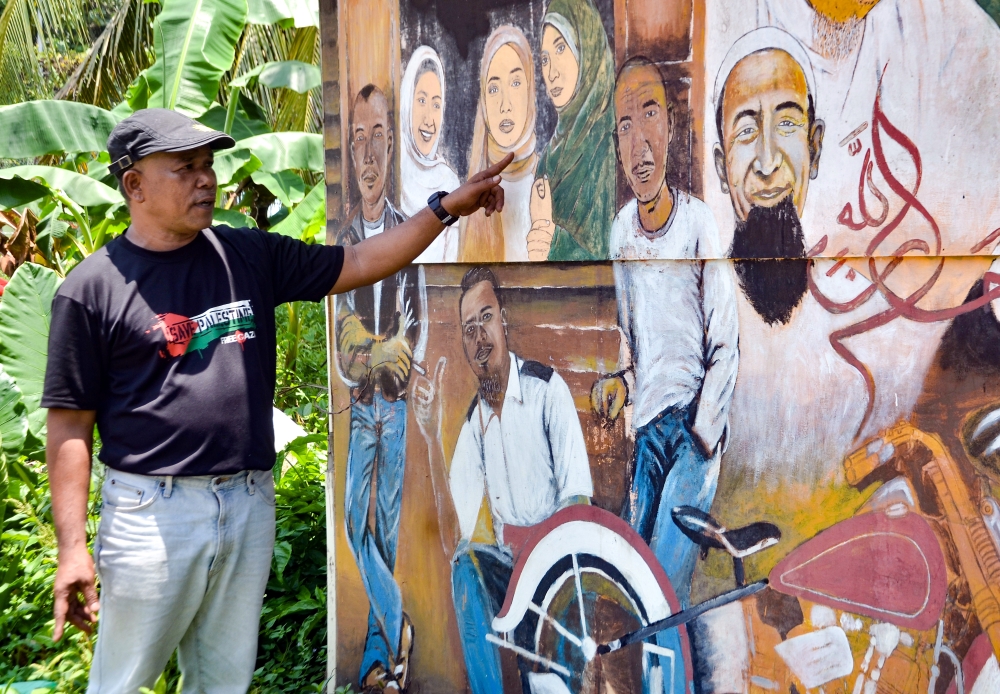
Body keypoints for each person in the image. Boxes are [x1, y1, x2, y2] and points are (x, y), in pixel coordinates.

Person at [41, 107, 512, 694]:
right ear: (134, 184)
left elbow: (360, 261)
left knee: (223, 684)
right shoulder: (92, 290)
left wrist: (446, 208)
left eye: (208, 165)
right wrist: (71, 549)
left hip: (246, 503)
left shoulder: (245, 255)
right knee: (121, 682)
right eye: (185, 168)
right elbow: (69, 427)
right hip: (153, 514)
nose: (206, 179)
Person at [593, 57, 739, 610]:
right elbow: (632, 346)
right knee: (632, 585)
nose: (639, 143)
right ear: (616, 145)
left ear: (671, 127)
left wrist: (702, 435)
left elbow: (725, 346)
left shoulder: (699, 225)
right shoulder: (620, 235)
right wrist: (621, 385)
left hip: (693, 433)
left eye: (649, 114)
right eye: (625, 126)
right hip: (647, 434)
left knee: (662, 595)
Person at [412, 266, 593, 694]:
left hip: (560, 570)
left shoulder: (546, 390)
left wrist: (540, 565)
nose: (480, 337)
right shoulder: (474, 423)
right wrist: (432, 437)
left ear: (504, 320)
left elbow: (578, 504)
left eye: (486, 318)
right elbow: (452, 539)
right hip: (510, 572)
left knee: (546, 686)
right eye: (469, 329)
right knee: (466, 567)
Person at [333, 84, 430, 692]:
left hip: (392, 409)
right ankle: (399, 626)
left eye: (377, 138)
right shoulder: (344, 240)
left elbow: (411, 337)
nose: (368, 155)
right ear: (350, 151)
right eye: (358, 140)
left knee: (386, 533)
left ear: (391, 146)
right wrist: (377, 351)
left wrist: (380, 352)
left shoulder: (407, 234)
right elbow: (344, 345)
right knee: (354, 525)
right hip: (361, 405)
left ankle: (381, 664)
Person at [712, 28, 825, 326]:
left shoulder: (851, 304)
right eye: (746, 130)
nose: (767, 162)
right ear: (722, 168)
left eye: (786, 124)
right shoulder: (702, 304)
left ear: (814, 148)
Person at [526, 0, 616, 261]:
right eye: (545, 59)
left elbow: (609, 258)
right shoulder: (548, 159)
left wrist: (552, 241)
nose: (551, 73)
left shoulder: (610, 146)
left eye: (561, 48)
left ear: (586, 48)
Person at [460, 26, 538, 263]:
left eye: (515, 83)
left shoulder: (547, 180)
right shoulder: (470, 192)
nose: (505, 105)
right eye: (494, 89)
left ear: (530, 89)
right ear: (484, 100)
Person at [399, 46, 461, 263]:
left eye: (436, 104)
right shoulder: (391, 176)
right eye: (421, 100)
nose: (429, 119)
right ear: (407, 101)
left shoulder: (449, 183)